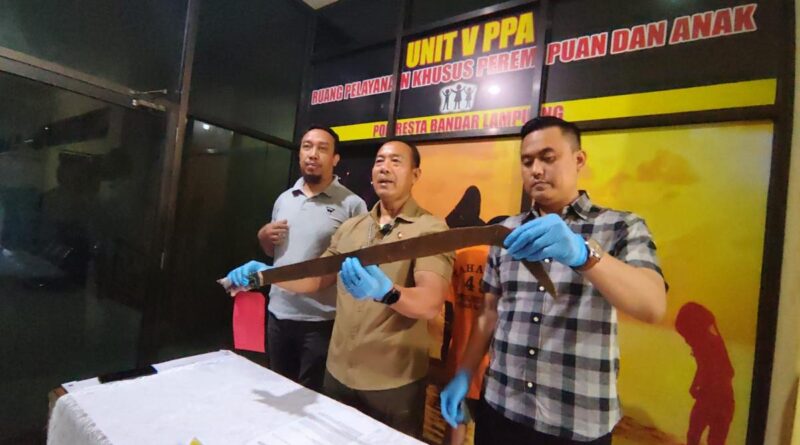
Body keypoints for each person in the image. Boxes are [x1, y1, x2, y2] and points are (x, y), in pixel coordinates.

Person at [440, 116, 667, 444]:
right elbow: (488, 314)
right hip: (500, 408)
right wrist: (464, 375)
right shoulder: (507, 232)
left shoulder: (620, 226)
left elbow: (652, 305)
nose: (536, 170)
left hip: (575, 421)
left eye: (548, 158)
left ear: (578, 160)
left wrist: (584, 254)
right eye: (527, 161)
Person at [227, 139, 454, 437]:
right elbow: (315, 278)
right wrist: (266, 274)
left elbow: (430, 303)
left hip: (392, 382)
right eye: (379, 161)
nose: (384, 168)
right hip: (338, 375)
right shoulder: (352, 228)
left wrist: (387, 292)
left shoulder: (431, 229)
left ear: (415, 175)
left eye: (396, 161)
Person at [253, 126, 366, 392]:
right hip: (278, 314)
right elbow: (272, 253)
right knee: (278, 390)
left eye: (322, 148)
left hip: (321, 322)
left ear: (335, 159)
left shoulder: (352, 204)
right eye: (307, 146)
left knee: (311, 398)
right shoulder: (284, 199)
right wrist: (263, 237)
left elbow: (356, 265)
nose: (313, 154)